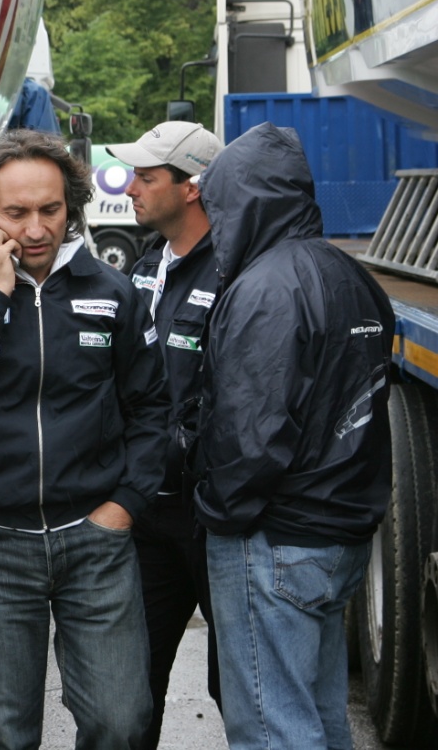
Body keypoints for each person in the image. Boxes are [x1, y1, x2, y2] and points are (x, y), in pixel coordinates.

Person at [0, 129, 169, 749]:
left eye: (51, 209)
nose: (37, 228)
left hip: (95, 539)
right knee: (6, 735)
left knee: (121, 722)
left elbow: (152, 407)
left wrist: (125, 505)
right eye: (16, 213)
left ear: (71, 206)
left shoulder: (112, 293)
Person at [193, 122, 394, 750]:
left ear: (244, 201)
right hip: (339, 534)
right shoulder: (353, 276)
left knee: (272, 730)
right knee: (323, 720)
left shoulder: (264, 290)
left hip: (274, 539)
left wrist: (216, 514)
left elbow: (249, 436)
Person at [105, 120, 224, 746]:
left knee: (241, 687)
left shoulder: (234, 269)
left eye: (147, 177)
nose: (130, 188)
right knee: (128, 693)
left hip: (215, 518)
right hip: (147, 510)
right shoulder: (149, 263)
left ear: (192, 187)